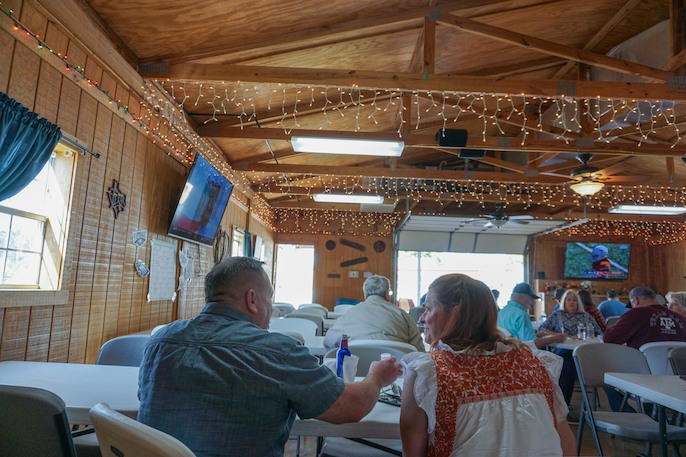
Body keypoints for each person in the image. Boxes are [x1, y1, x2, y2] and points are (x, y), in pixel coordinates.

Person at [137, 257, 402, 457]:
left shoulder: (159, 341)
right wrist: (377, 376)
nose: (271, 308)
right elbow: (351, 407)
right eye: (269, 298)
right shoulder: (277, 350)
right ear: (252, 299)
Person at [400, 274, 575, 457]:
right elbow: (567, 445)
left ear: (455, 312)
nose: (422, 319)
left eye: (428, 309)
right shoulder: (536, 364)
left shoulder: (427, 373)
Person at [324, 275, 425, 351]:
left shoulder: (349, 314)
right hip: (397, 373)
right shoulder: (403, 315)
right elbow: (419, 349)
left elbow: (328, 342)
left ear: (365, 294)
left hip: (357, 373)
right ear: (387, 294)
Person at [537, 290, 602, 406]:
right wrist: (555, 335)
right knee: (567, 365)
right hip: (563, 350)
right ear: (564, 302)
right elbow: (541, 330)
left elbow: (599, 332)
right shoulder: (557, 315)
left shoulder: (586, 316)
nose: (572, 303)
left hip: (582, 352)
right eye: (569, 300)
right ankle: (563, 405)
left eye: (575, 300)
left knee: (568, 365)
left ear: (579, 303)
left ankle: (563, 405)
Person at [604, 286, 686, 350]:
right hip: (678, 369)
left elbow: (610, 339)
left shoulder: (635, 314)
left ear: (636, 300)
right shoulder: (680, 318)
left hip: (642, 368)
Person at [497, 283, 566, 348]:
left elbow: (517, 338)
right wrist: (555, 338)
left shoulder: (501, 312)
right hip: (520, 356)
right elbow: (531, 345)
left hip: (505, 355)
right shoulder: (521, 315)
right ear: (523, 296)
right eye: (531, 298)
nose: (532, 302)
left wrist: (537, 335)